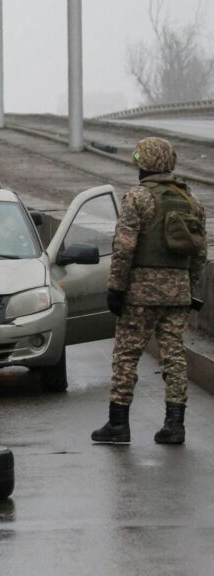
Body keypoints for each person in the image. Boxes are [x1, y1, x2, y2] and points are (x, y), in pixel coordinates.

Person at [92, 137, 207, 445]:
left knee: (126, 355)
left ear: (143, 164)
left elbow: (124, 247)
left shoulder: (138, 198)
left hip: (140, 295)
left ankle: (118, 424)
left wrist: (116, 287)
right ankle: (175, 424)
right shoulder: (191, 201)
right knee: (174, 356)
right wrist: (193, 290)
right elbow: (199, 253)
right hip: (177, 294)